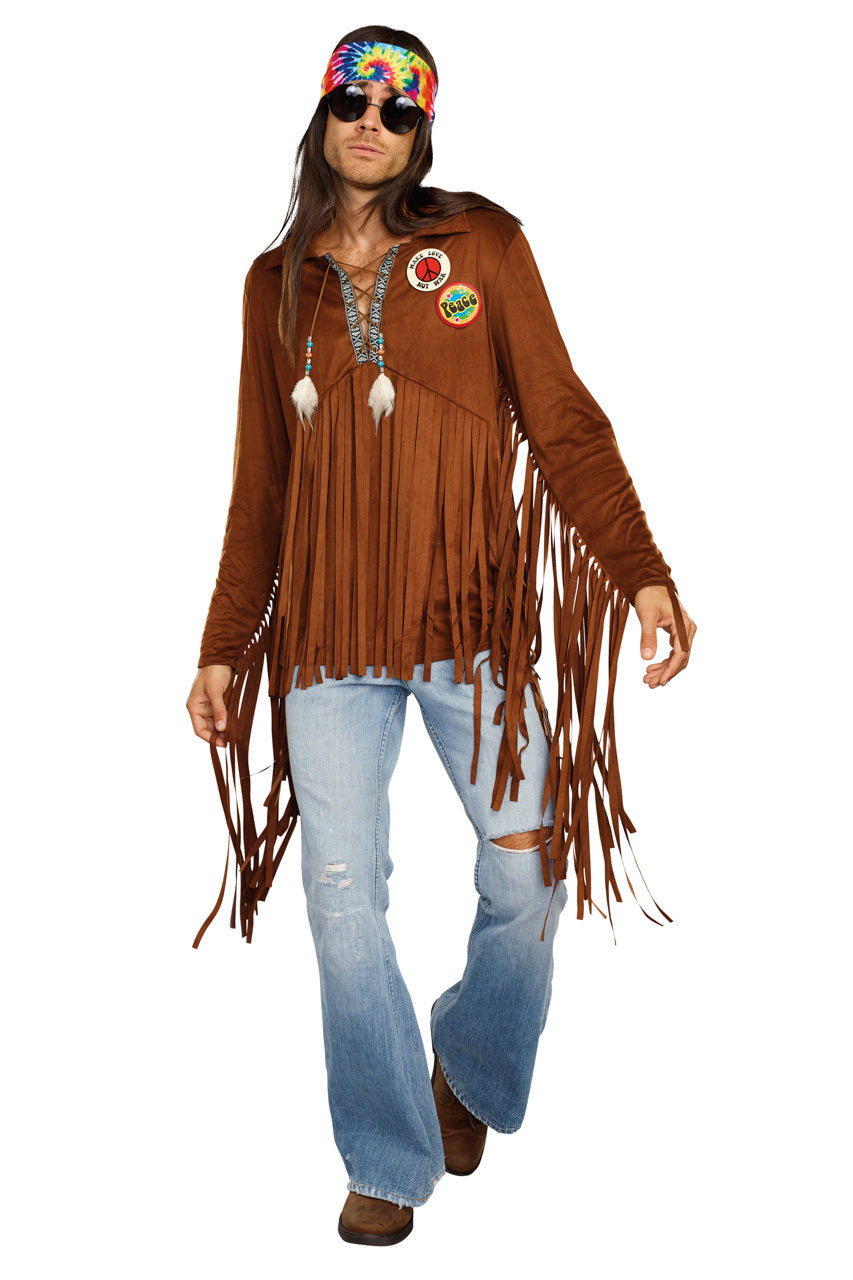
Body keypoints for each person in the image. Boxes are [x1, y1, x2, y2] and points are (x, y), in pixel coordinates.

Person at [185, 25, 697, 1247]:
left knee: (527, 869)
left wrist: (641, 572)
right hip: (327, 637)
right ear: (322, 115)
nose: (371, 122)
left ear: (422, 133)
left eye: (397, 109)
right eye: (352, 101)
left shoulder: (484, 245)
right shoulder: (274, 284)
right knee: (340, 896)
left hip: (469, 622)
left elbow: (562, 421)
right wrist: (223, 642)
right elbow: (262, 483)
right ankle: (385, 1151)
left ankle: (466, 1062)